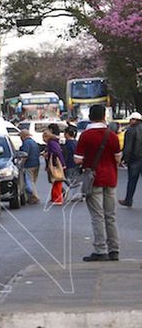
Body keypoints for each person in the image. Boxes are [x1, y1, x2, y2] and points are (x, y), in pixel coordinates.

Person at [74, 104, 121, 262]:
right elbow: (117, 158)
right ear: (104, 117)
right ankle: (114, 249)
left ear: (90, 117)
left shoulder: (86, 136)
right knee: (111, 215)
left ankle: (101, 250)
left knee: (97, 216)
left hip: (93, 179)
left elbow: (77, 159)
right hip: (111, 178)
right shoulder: (112, 135)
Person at [119, 112, 142, 207]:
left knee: (132, 181)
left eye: (131, 119)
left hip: (134, 159)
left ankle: (128, 200)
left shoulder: (131, 130)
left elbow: (128, 147)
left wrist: (124, 159)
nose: (129, 121)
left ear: (134, 120)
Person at [43, 130, 66, 205]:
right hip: (58, 163)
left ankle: (57, 198)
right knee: (56, 181)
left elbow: (55, 152)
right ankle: (55, 198)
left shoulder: (51, 143)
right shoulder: (54, 142)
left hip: (55, 164)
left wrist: (50, 158)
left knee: (57, 180)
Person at [19, 129, 41, 204]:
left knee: (29, 182)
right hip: (36, 164)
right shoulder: (34, 142)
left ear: (23, 136)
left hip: (29, 165)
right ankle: (31, 198)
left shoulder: (26, 143)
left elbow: (25, 155)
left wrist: (21, 164)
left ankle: (34, 197)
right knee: (33, 181)